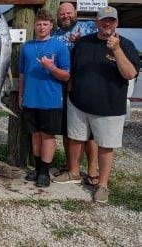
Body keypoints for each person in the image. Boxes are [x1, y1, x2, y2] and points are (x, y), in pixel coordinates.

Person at [53, 6, 140, 203]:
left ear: (116, 23)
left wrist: (116, 49)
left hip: (109, 107)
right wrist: (69, 92)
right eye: (103, 20)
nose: (106, 23)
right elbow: (72, 70)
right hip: (78, 102)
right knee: (75, 138)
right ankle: (74, 172)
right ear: (96, 23)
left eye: (110, 20)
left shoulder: (125, 45)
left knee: (106, 146)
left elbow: (130, 74)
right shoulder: (83, 43)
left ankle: (102, 185)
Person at [19, 9, 70, 187]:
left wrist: (51, 67)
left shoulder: (60, 46)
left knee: (48, 136)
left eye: (45, 24)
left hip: (51, 99)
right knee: (35, 135)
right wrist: (21, 96)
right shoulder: (26, 47)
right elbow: (22, 75)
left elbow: (66, 75)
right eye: (39, 24)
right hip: (30, 99)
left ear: (51, 26)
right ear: (34, 26)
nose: (41, 27)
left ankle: (44, 172)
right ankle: (37, 167)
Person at [51, 2, 99, 186]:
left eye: (68, 13)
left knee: (90, 132)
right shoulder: (55, 34)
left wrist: (81, 42)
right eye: (62, 14)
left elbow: (103, 42)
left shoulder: (89, 26)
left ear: (76, 13)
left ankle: (93, 170)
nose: (65, 16)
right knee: (67, 129)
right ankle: (72, 166)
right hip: (63, 86)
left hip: (87, 85)